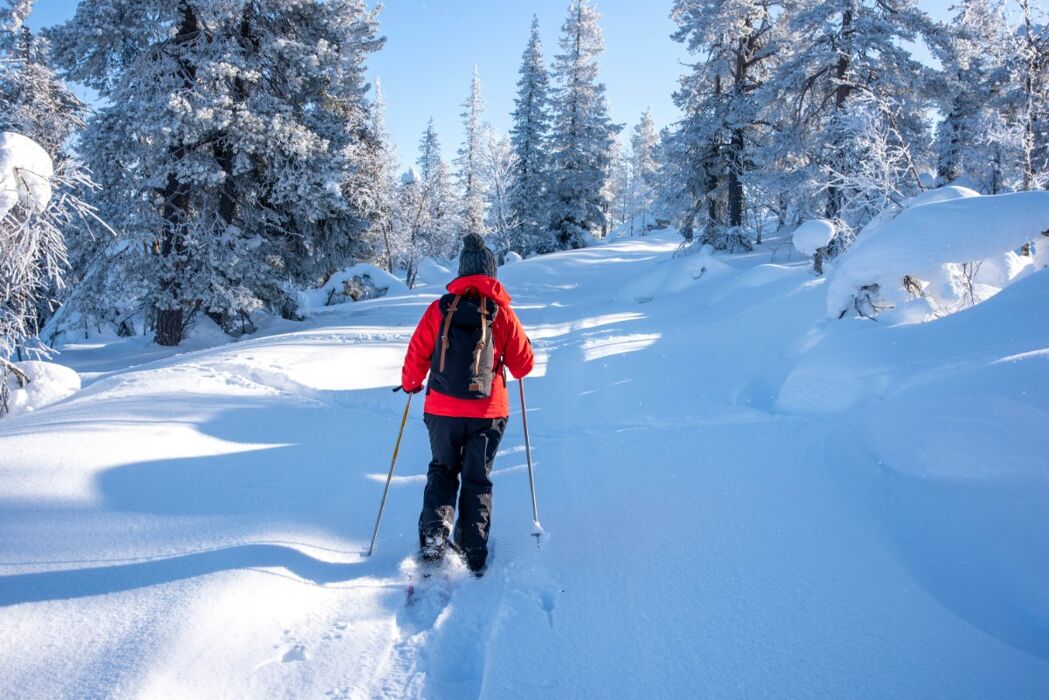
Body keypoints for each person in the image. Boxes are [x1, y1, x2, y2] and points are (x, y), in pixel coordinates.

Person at [400, 233, 534, 574]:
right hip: (488, 413)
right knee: (477, 478)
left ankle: (435, 532)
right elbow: (523, 365)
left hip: (442, 409)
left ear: (461, 271)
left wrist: (411, 384)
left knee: (443, 469)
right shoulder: (501, 312)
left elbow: (417, 353)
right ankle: (473, 549)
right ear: (492, 275)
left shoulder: (440, 309)